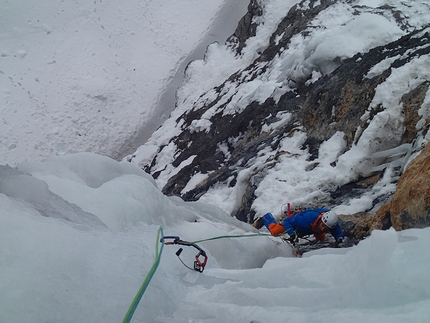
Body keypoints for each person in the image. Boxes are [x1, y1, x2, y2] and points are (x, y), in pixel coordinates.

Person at [253, 206, 345, 245]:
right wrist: (292, 233)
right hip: (295, 223)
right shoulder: (305, 219)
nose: (323, 228)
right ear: (321, 220)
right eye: (323, 225)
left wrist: (339, 238)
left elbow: (337, 231)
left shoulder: (331, 223)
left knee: (321, 238)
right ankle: (266, 218)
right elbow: (287, 221)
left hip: (312, 228)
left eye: (326, 228)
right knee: (274, 231)